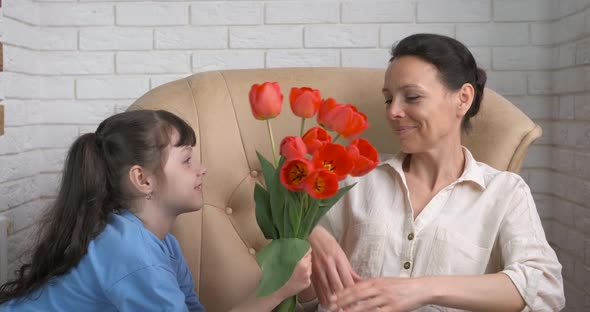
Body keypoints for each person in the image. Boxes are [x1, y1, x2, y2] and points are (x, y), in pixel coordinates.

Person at [306, 34, 565, 311]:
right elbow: (300, 285)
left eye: (412, 97)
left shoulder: (504, 192)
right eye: (388, 99)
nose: (393, 111)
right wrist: (309, 237)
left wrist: (423, 289)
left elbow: (545, 290)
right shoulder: (355, 182)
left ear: (463, 99)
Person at [0, 110, 312, 311]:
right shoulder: (130, 253)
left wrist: (282, 288)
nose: (202, 169)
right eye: (187, 159)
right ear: (143, 179)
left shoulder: (161, 246)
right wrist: (277, 293)